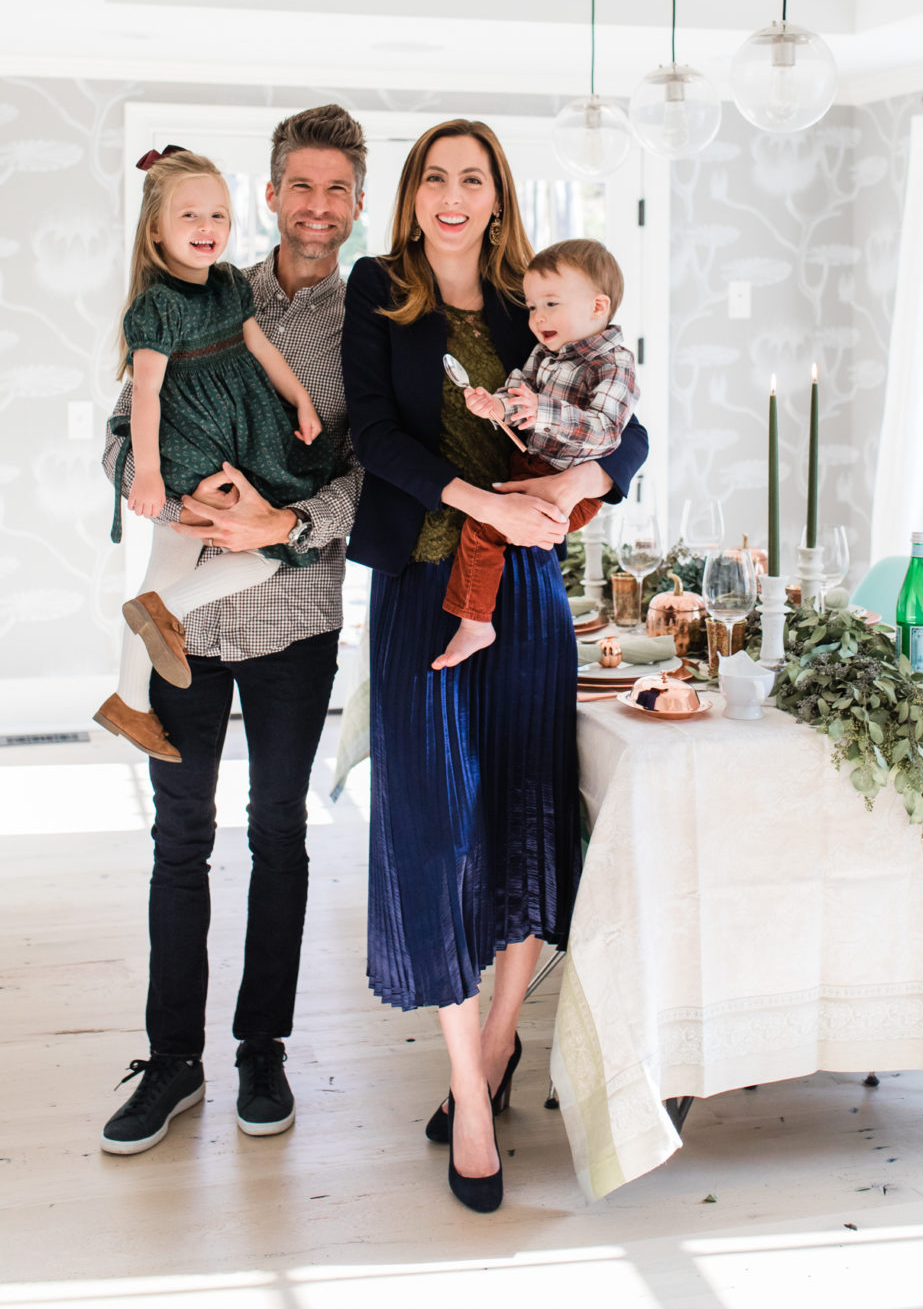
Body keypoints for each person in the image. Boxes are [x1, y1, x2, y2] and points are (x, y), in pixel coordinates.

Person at [341, 118, 647, 1212]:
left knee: (524, 815)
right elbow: (370, 435)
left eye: (473, 177)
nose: (453, 194)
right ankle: (469, 1095)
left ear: (498, 194)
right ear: (415, 195)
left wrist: (576, 490)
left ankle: (499, 1043)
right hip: (421, 587)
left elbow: (629, 427)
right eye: (436, 177)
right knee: (431, 827)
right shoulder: (378, 290)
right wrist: (478, 499)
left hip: (524, 594)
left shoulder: (537, 298)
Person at [99, 104, 365, 1155]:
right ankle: (172, 1061)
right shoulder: (199, 289)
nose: (315, 205)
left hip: (295, 616)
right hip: (187, 629)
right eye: (298, 185)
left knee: (280, 834)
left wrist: (283, 524)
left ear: (354, 203)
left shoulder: (372, 330)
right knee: (180, 838)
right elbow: (126, 429)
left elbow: (365, 480)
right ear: (269, 196)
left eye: (336, 188)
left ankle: (263, 1046)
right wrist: (158, 494)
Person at [94, 147, 333, 761]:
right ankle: (161, 614)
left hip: (230, 442)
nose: (207, 229)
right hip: (189, 448)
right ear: (156, 229)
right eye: (190, 217)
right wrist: (148, 474)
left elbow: (262, 351)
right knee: (263, 557)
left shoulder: (230, 285)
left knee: (165, 572)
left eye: (219, 216)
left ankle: (130, 700)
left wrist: (303, 400)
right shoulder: (158, 305)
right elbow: (144, 394)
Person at [434, 237, 638, 669]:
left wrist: (541, 410)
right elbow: (517, 392)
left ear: (598, 308)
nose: (537, 317)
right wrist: (498, 405)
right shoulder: (546, 353)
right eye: (531, 307)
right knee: (489, 523)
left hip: (572, 484)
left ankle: (475, 624)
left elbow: (605, 433)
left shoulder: (614, 364)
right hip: (531, 462)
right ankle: (481, 617)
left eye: (550, 304)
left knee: (484, 527)